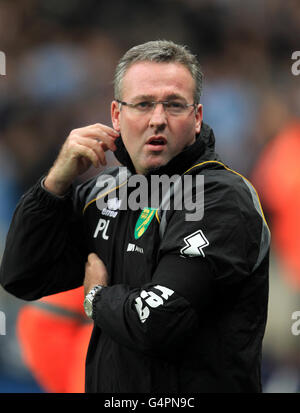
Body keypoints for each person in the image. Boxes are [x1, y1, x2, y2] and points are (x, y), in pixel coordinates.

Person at [0, 40, 270, 393]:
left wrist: (96, 296)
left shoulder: (220, 197)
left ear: (197, 117)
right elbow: (22, 275)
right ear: (116, 115)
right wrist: (54, 185)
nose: (157, 119)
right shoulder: (103, 191)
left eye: (174, 105)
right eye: (143, 104)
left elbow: (156, 322)